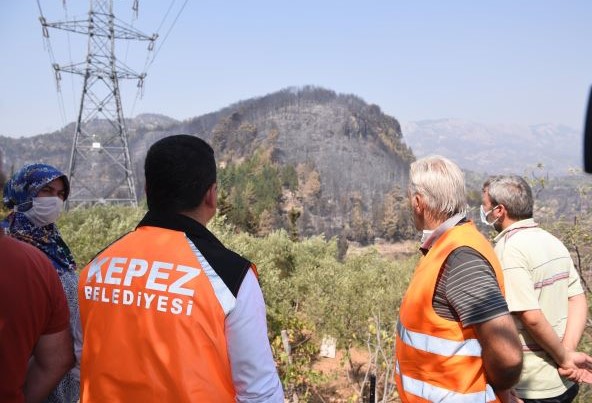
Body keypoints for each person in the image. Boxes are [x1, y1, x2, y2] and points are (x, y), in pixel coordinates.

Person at [77, 134, 284, 402]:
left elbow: (80, 358)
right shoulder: (231, 277)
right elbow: (260, 392)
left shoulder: (96, 267)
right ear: (211, 196)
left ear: (147, 190)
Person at [394, 155, 523, 403]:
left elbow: (508, 357)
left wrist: (499, 390)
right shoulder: (448, 247)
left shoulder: (461, 257)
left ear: (418, 202)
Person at [482, 175, 592, 402]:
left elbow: (530, 316)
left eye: (485, 206)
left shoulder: (509, 250)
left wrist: (564, 358)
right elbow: (578, 299)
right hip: (564, 383)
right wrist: (568, 351)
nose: (483, 211)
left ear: (499, 210)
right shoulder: (552, 241)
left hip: (531, 387)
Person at [2, 163, 81, 403]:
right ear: (22, 192)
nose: (54, 200)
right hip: (26, 372)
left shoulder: (56, 243)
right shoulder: (7, 244)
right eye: (46, 191)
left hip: (59, 368)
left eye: (60, 194)